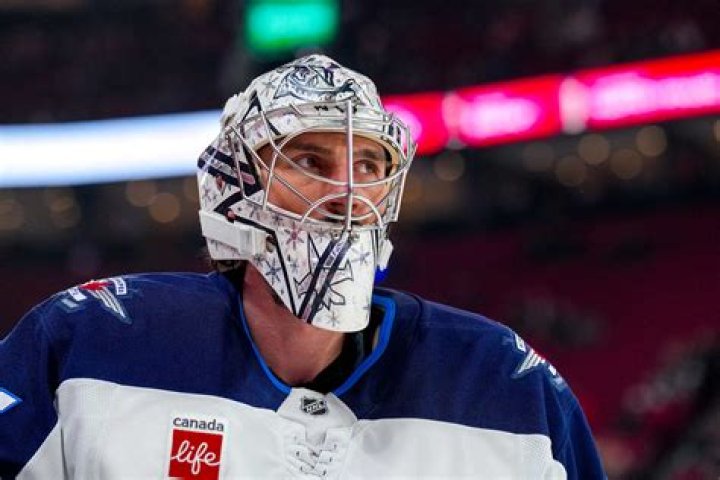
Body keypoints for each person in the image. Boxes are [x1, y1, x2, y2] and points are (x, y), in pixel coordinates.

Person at [0, 54, 605, 479]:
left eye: (368, 166)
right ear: (233, 188)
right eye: (310, 160)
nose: (347, 192)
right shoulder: (89, 341)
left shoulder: (506, 385)